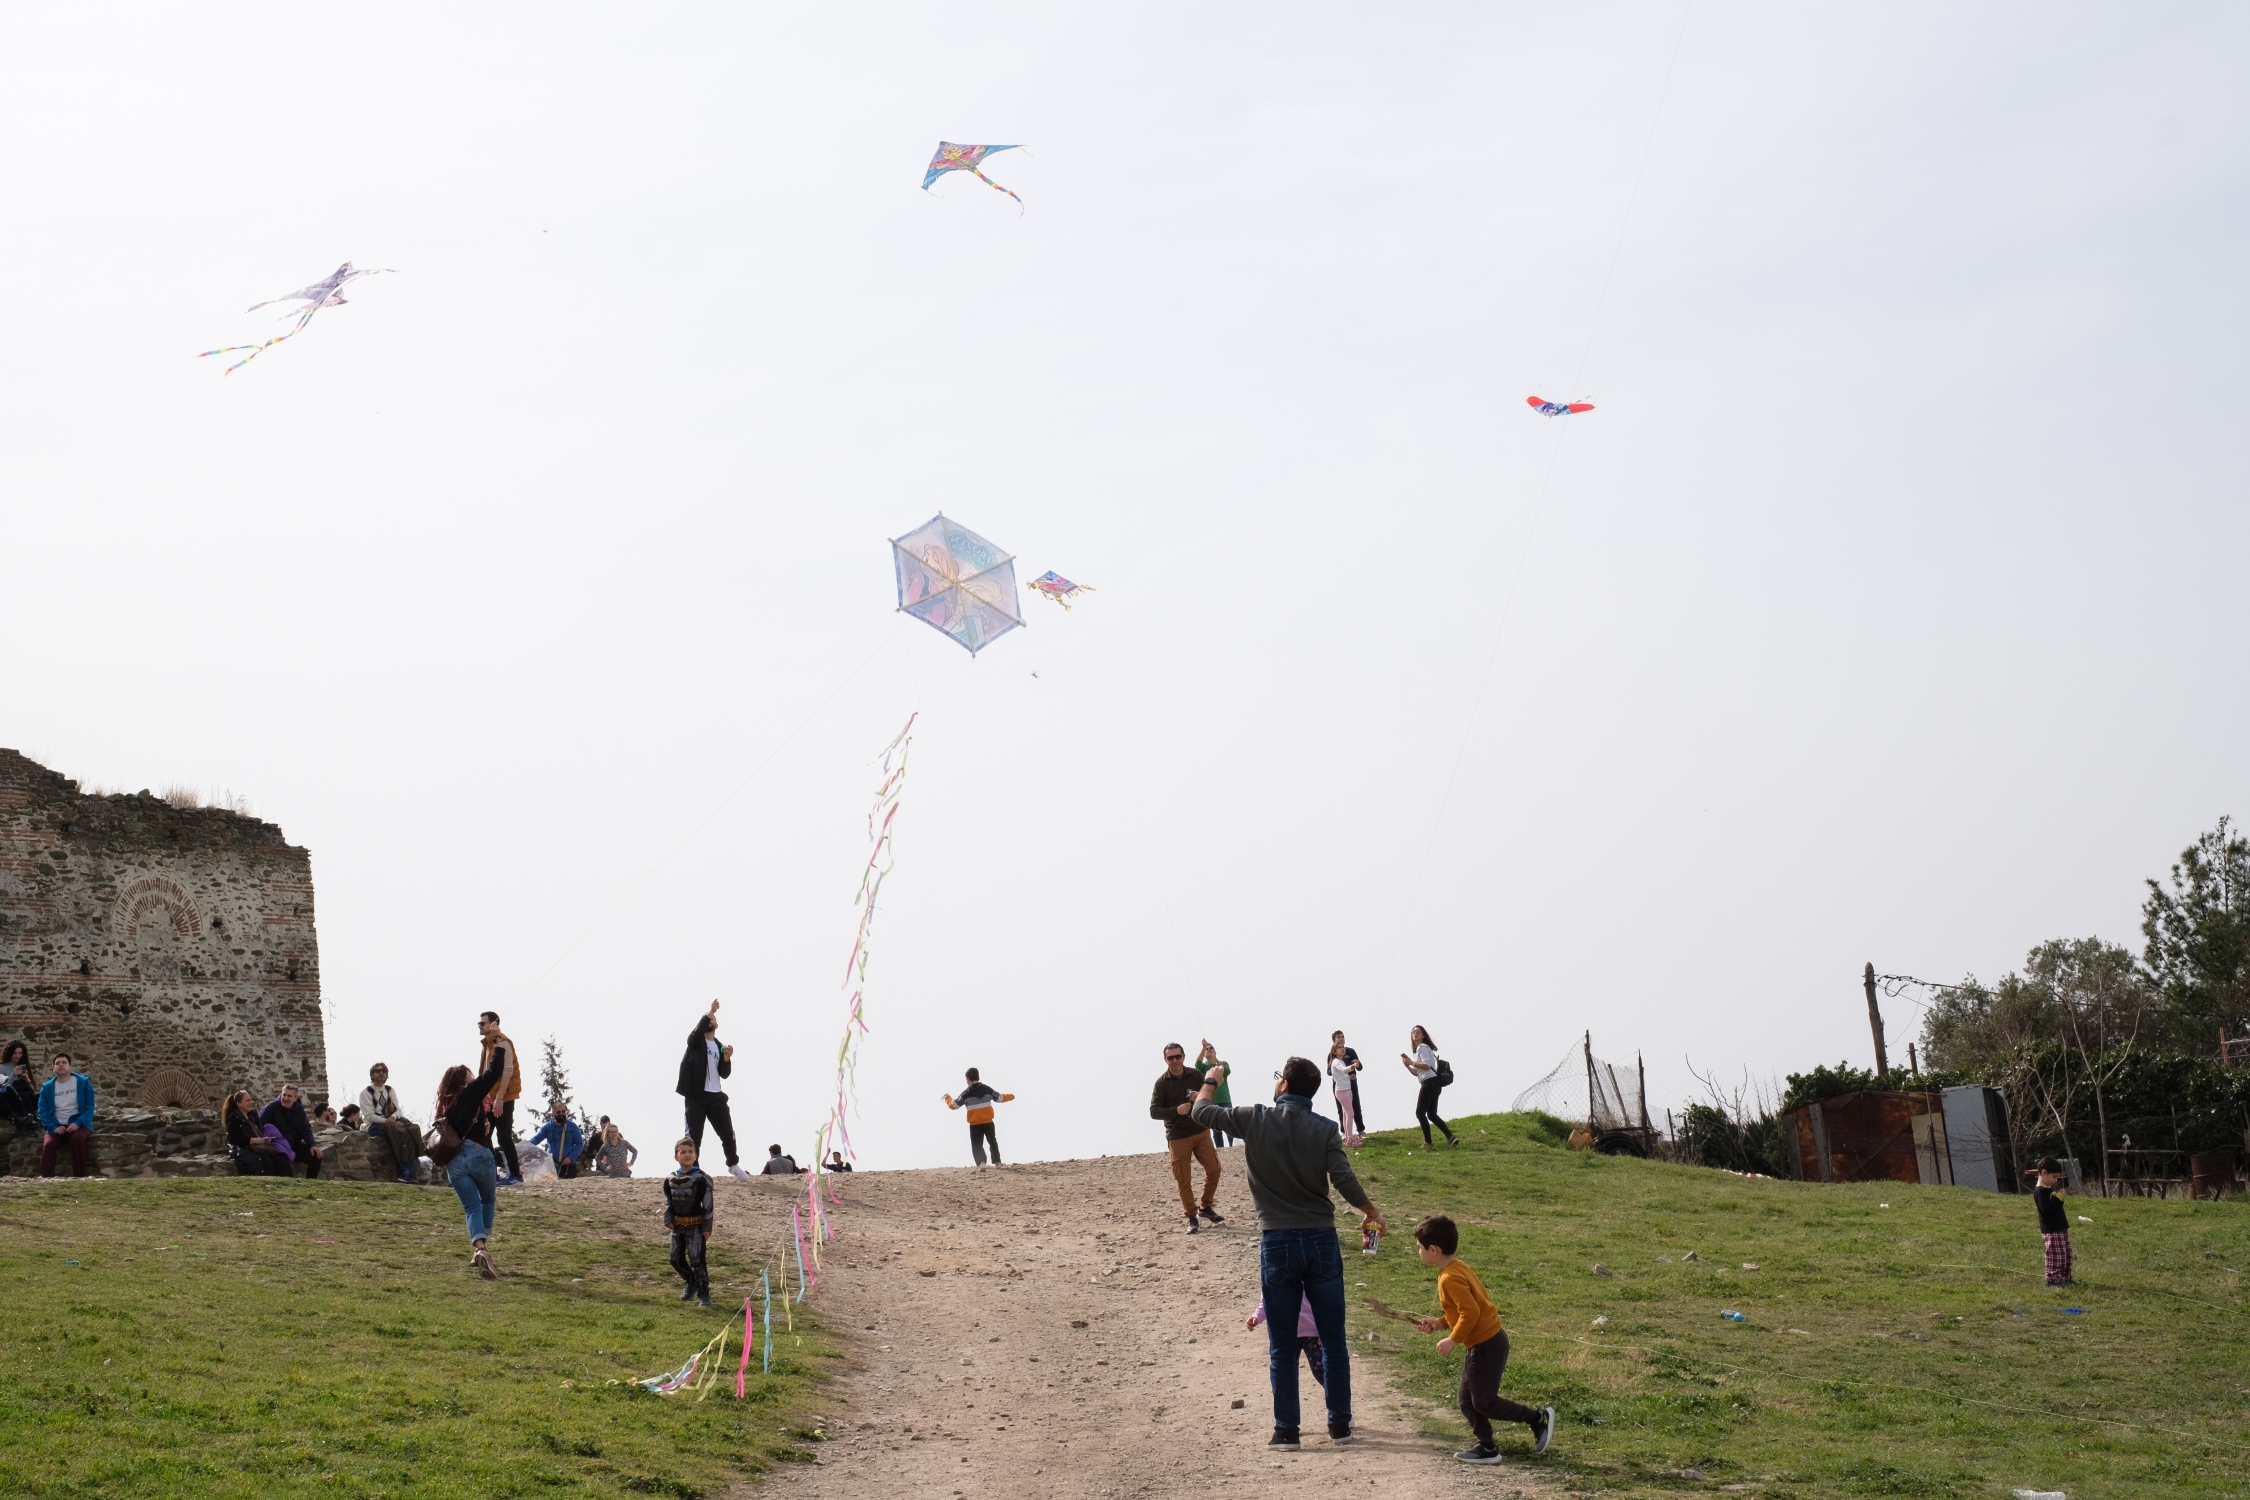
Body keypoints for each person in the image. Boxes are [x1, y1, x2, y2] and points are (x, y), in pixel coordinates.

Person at [1193, 1057, 1383, 1450]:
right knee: (1333, 1340)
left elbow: (1201, 1112)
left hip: (1277, 1240)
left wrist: (1211, 1078)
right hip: (1321, 1239)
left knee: (1281, 1345)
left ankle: (1286, 1431)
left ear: (1283, 1086)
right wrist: (1370, 1211)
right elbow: (1343, 1179)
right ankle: (1340, 1426)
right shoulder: (1325, 1128)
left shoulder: (1254, 1119)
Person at [1412, 1214, 1554, 1463]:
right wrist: (1440, 1322)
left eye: (1419, 1248)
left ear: (1433, 1250)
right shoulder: (1457, 1267)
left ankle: (1537, 1418)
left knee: (1484, 1402)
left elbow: (1471, 1312)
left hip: (1486, 1344)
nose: (1418, 1252)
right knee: (1467, 1400)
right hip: (1487, 1341)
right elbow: (1463, 1310)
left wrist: (1453, 1339)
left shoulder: (1449, 1278)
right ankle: (1487, 1447)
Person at [432, 1041, 511, 1278]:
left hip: (455, 1162)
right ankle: (483, 1249)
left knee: (471, 1207)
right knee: (487, 1199)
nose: (474, 1078)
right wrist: (499, 1044)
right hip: (477, 1153)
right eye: (470, 1075)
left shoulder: (446, 1106)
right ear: (464, 1081)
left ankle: (479, 1249)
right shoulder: (471, 1092)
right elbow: (494, 1072)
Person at [1151, 1042, 1223, 1234]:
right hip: (1178, 1137)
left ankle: (1205, 1208)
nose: (1175, 1060)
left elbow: (1211, 1097)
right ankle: (1192, 1217)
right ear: (1165, 1060)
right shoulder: (1161, 1083)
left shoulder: (1195, 1075)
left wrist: (1200, 1096)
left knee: (1214, 1169)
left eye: (1178, 1056)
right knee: (1183, 1179)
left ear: (1183, 1056)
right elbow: (1154, 1111)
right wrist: (1176, 1110)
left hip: (1200, 1131)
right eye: (1170, 1058)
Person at [677, 1001, 751, 1182]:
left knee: (727, 1133)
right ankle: (693, 1170)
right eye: (708, 1018)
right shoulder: (696, 1042)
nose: (711, 1019)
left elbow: (724, 1074)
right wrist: (710, 1011)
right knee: (694, 1136)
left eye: (713, 1018)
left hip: (716, 1096)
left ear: (717, 1025)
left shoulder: (719, 1046)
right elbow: (692, 1036)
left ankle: (733, 1165)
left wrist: (726, 1059)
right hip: (696, 1096)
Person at [662, 1136, 714, 1306]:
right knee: (674, 1258)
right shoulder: (670, 1178)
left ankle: (704, 1295)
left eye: (691, 1151)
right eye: (683, 1152)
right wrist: (668, 1216)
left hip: (695, 1226)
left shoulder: (702, 1178)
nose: (687, 1154)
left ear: (695, 1155)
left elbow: (708, 1205)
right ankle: (691, 1281)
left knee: (697, 1260)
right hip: (677, 1226)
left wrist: (707, 1226)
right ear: (676, 1156)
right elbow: (669, 1201)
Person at [476, 1011, 525, 1185]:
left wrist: (500, 1099)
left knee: (504, 1136)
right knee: (485, 1135)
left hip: (502, 1097)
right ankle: (493, 1173)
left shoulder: (502, 1042)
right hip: (489, 1098)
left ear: (493, 1024)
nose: (479, 1026)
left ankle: (515, 1175)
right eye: (479, 1023)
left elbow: (507, 1070)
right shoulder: (488, 1044)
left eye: (482, 1023)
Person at [359, 1062, 422, 1184]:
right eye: (377, 1071)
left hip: (392, 1121)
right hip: (374, 1125)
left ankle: (411, 1169)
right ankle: (404, 1172)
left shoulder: (389, 1090)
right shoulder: (366, 1092)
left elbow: (398, 1110)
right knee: (398, 1135)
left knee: (413, 1130)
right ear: (372, 1075)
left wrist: (393, 1117)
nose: (381, 1073)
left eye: (383, 1071)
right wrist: (388, 1122)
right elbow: (369, 1115)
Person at [1247, 1292, 1325, 1391]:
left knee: (1323, 1373)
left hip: (1312, 1334)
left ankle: (1337, 1398)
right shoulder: (1274, 1281)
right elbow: (1266, 1301)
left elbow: (1323, 1302)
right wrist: (1256, 1317)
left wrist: (1324, 1332)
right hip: (1286, 1335)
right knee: (1285, 1378)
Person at [36, 1052, 96, 1178]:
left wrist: (78, 1123)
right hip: (56, 1125)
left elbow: (90, 1107)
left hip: (79, 1124)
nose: (61, 1065)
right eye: (57, 1063)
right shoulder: (47, 1088)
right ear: (53, 1068)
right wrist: (53, 1127)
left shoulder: (83, 1083)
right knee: (49, 1145)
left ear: (70, 1066)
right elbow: (42, 1111)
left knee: (77, 1139)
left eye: (64, 1062)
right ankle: (46, 1178)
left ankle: (79, 1176)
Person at [944, 1068, 1015, 1166]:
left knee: (976, 1144)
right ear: (978, 1077)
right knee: (992, 1141)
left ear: (967, 1079)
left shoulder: (965, 1093)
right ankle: (997, 1162)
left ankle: (981, 1163)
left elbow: (954, 1105)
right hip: (988, 1122)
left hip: (975, 1124)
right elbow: (1000, 1098)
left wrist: (947, 1098)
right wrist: (1011, 1096)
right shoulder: (987, 1089)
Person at [1401, 1025, 1457, 1147]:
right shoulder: (1418, 1051)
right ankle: (1451, 1138)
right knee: (1431, 1114)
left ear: (1423, 1035)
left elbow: (1427, 1065)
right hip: (1432, 1083)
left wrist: (1412, 1062)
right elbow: (1417, 1073)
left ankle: (1428, 1142)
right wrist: (1408, 1066)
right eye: (1413, 1031)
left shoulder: (1423, 1047)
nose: (1415, 1033)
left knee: (1420, 1113)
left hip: (1429, 1083)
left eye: (1418, 1031)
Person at [2026, 1157, 2074, 1286]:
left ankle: (2065, 1277)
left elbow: (2055, 1206)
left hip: (2060, 1227)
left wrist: (2059, 1198)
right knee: (2056, 1256)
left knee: (2066, 1255)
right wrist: (2059, 1199)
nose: (2055, 1180)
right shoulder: (2040, 1191)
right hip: (2051, 1230)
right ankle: (2052, 1280)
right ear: (2044, 1172)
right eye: (2054, 1176)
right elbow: (2046, 1209)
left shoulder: (2048, 1189)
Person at [222, 1090, 291, 1176]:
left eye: (250, 1100)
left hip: (259, 1148)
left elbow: (259, 1132)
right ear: (239, 1104)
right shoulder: (233, 1118)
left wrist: (265, 1139)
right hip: (244, 1150)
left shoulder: (252, 1116)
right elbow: (233, 1138)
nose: (250, 1103)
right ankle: (268, 1183)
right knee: (266, 1162)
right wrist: (255, 1140)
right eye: (247, 1101)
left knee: (281, 1160)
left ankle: (287, 1183)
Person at [529, 1100, 585, 1179]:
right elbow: (537, 1138)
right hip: (552, 1164)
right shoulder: (547, 1127)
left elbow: (580, 1144)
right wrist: (526, 1145)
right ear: (553, 1112)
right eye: (558, 1112)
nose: (561, 1114)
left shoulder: (572, 1126)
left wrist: (570, 1157)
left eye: (563, 1111)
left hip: (569, 1165)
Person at [1195, 1042, 1234, 1148]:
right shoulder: (1204, 1067)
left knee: (1229, 1123)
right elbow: (1197, 1063)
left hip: (1225, 1100)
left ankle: (1232, 1146)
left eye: (1211, 1048)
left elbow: (1225, 1070)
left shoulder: (1223, 1064)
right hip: (1211, 1101)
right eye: (1206, 1049)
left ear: (1215, 1051)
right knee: (1215, 1129)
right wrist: (1203, 1047)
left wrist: (1215, 1059)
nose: (1209, 1050)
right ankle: (1220, 1149)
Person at [1327, 1037, 1363, 1149]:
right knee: (1350, 1114)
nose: (1342, 1049)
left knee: (1345, 1114)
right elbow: (1343, 1070)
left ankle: (1348, 1137)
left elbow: (1341, 1075)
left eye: (1343, 1047)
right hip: (1342, 1091)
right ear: (1334, 1051)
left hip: (1346, 1089)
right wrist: (1353, 1066)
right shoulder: (1336, 1062)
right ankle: (1350, 1139)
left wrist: (1349, 1077)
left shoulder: (1340, 1061)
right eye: (1339, 1047)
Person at [1331, 1031, 1367, 1136]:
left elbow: (1359, 1067)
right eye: (1338, 1037)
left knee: (1356, 1105)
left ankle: (1360, 1130)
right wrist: (1340, 1070)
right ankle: (1345, 1133)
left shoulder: (1350, 1051)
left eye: (1342, 1036)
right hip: (1339, 1085)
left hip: (1351, 1082)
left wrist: (1358, 1065)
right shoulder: (1333, 1056)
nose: (1341, 1038)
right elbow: (1329, 1071)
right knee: (1341, 1109)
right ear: (1333, 1040)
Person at [1, 1040, 37, 1124]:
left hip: (26, 1097)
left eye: (20, 1053)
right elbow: (4, 1089)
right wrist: (13, 1075)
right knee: (24, 1096)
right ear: (9, 1053)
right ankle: (31, 1120)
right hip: (13, 1099)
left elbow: (32, 1091)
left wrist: (28, 1080)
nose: (17, 1056)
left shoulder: (22, 1065)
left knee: (43, 1096)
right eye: (14, 1053)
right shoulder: (2, 1067)